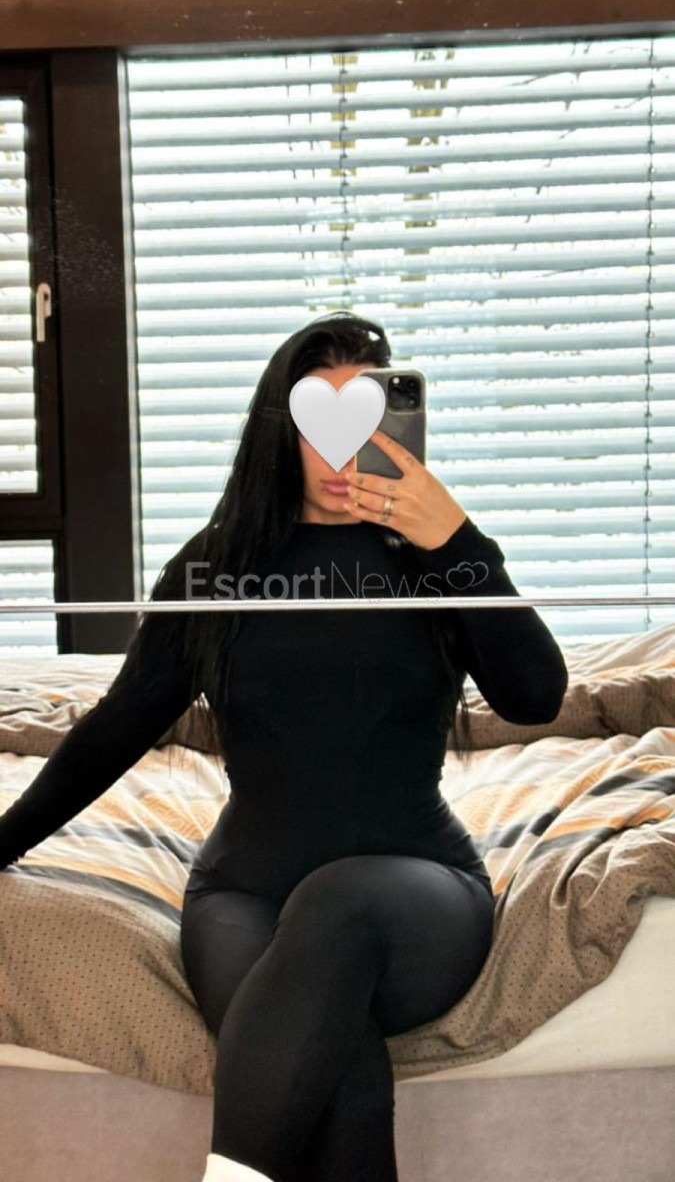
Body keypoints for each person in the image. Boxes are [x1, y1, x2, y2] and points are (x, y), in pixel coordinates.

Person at [0, 311, 568, 1182]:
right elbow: (116, 727)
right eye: (317, 420)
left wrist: (455, 541)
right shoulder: (217, 567)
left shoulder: (437, 560)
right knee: (338, 1069)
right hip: (244, 895)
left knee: (339, 901)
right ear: (280, 431)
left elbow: (534, 697)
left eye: (366, 416)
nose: (341, 448)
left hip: (418, 893)